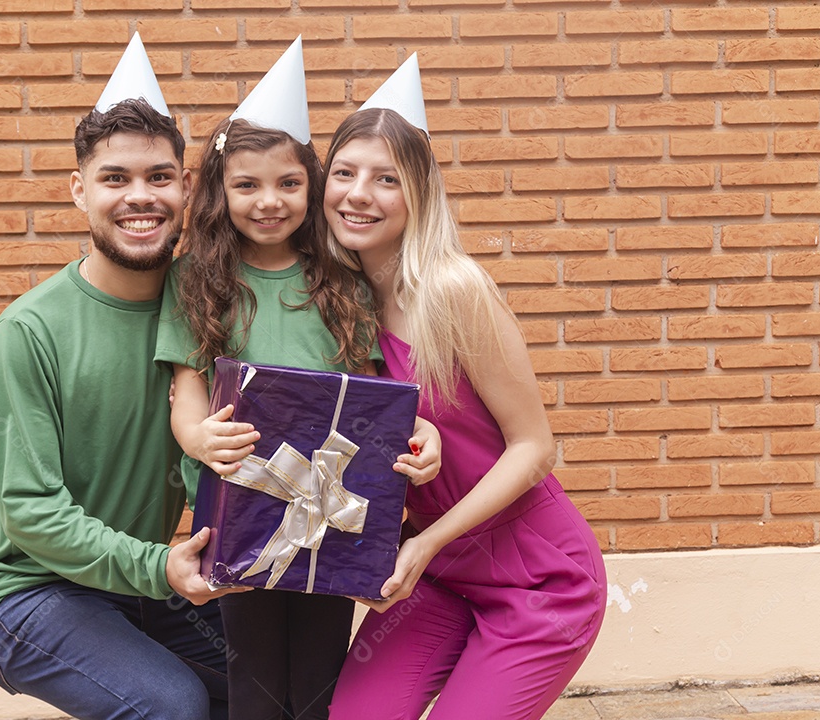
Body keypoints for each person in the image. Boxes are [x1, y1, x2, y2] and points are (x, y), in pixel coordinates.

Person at [153, 39, 440, 720]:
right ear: (221, 191)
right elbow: (186, 390)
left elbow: (373, 389)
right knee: (249, 667)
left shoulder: (339, 278)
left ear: (310, 187)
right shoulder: (197, 280)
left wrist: (413, 435)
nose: (268, 201)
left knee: (319, 669)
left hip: (330, 503)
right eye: (247, 185)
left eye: (288, 183)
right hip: (237, 496)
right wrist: (198, 440)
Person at [0, 35, 238, 720]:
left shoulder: (205, 303)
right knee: (171, 706)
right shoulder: (31, 333)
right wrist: (156, 567)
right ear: (80, 190)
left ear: (186, 187)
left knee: (281, 685)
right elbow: (31, 514)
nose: (140, 196)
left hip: (140, 583)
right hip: (28, 592)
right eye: (115, 178)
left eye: (159, 177)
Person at [324, 56, 608, 720]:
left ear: (418, 193)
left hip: (541, 578)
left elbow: (533, 446)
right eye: (344, 173)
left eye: (385, 179)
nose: (359, 194)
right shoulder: (344, 304)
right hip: (442, 572)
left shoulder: (454, 291)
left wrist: (422, 543)